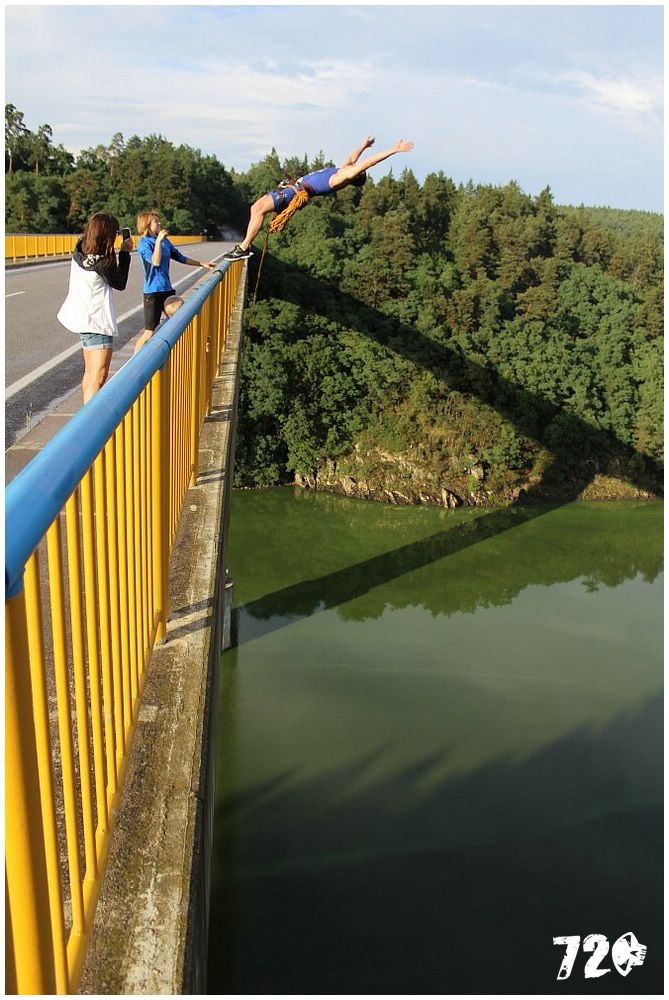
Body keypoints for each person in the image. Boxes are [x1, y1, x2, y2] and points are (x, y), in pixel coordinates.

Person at [223, 136, 415, 260]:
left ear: (356, 175)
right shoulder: (341, 170)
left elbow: (368, 163)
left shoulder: (343, 177)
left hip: (295, 193)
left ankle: (244, 247)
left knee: (257, 209)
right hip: (293, 189)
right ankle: (245, 245)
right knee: (257, 208)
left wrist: (394, 150)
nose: (352, 163)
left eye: (356, 168)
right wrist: (363, 146)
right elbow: (352, 157)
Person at [57, 211, 133, 404]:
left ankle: (85, 414)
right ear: (107, 235)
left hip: (83, 319)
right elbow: (120, 282)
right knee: (98, 376)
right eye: (114, 233)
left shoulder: (80, 249)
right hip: (97, 323)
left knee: (90, 373)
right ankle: (90, 419)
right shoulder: (102, 263)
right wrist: (125, 253)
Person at [134, 211, 217, 353]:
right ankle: (134, 361)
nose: (160, 223)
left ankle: (197, 348)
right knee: (149, 332)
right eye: (156, 222)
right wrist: (158, 242)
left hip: (167, 289)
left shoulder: (164, 241)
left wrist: (201, 264)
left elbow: (179, 257)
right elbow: (155, 261)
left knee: (180, 321)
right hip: (153, 293)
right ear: (147, 225)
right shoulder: (144, 243)